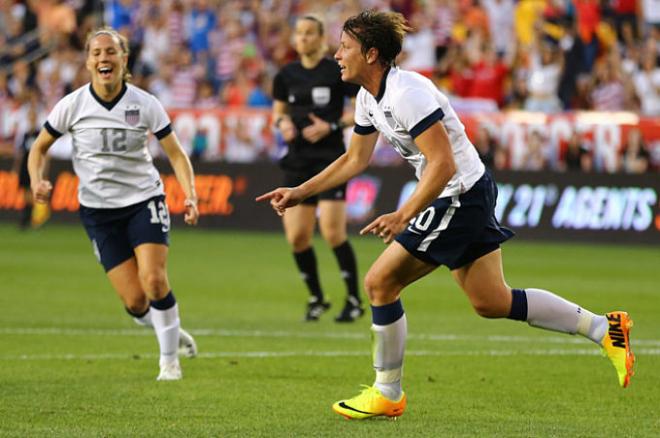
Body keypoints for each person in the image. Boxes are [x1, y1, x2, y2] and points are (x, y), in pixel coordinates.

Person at [257, 10, 635, 420]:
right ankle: (604, 328)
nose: (337, 54)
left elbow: (442, 165)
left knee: (380, 283)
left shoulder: (407, 93)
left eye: (345, 47)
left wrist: (404, 214)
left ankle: (388, 392)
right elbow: (354, 159)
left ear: (371, 53)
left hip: (458, 195)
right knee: (491, 300)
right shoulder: (368, 97)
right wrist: (299, 192)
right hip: (465, 192)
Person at [28, 27, 200, 381]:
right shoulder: (73, 104)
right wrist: (37, 180)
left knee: (154, 281)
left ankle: (169, 361)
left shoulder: (145, 103)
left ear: (124, 60)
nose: (103, 58)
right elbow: (38, 148)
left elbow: (177, 155)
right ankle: (168, 328)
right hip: (97, 211)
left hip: (143, 199)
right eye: (96, 53)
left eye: (111, 52)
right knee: (136, 303)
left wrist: (191, 194)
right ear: (89, 61)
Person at [271, 14, 364, 322]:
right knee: (297, 237)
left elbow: (360, 110)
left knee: (332, 232)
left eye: (310, 33)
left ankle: (353, 299)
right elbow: (278, 113)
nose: (304, 38)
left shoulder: (335, 71)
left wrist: (331, 125)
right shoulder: (286, 75)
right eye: (299, 33)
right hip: (297, 161)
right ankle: (316, 298)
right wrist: (283, 125)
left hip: (330, 159)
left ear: (322, 38)